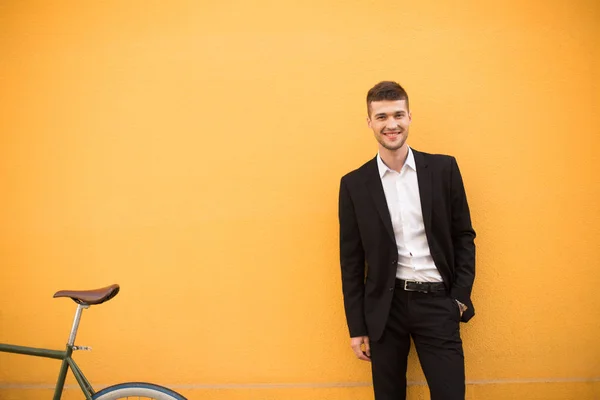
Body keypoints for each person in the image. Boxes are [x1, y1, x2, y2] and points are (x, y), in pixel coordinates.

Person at [338, 81, 476, 400]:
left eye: (398, 114)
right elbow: (351, 261)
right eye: (382, 116)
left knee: (450, 394)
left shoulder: (443, 169)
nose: (391, 124)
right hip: (385, 309)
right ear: (370, 122)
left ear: (410, 117)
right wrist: (357, 327)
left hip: (438, 302)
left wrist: (458, 298)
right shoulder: (354, 185)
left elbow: (464, 236)